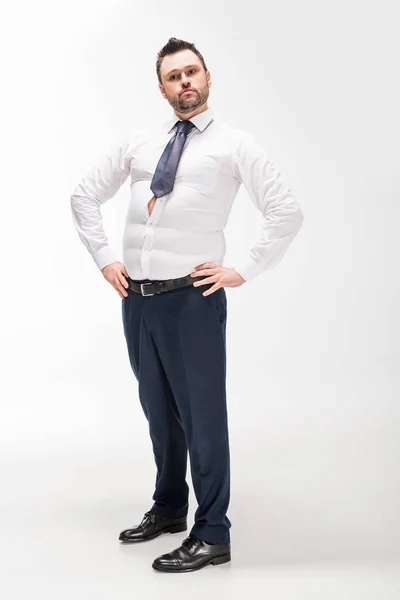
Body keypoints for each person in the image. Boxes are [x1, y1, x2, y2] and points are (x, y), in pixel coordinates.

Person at [70, 37, 304, 573]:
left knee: (202, 417)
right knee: (159, 411)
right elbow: (84, 194)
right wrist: (106, 258)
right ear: (161, 88)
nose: (185, 83)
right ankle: (171, 506)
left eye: (192, 72)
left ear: (208, 77)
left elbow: (285, 211)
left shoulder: (234, 145)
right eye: (174, 76)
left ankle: (213, 531)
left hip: (193, 300)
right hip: (139, 298)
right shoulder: (139, 141)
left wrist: (243, 269)